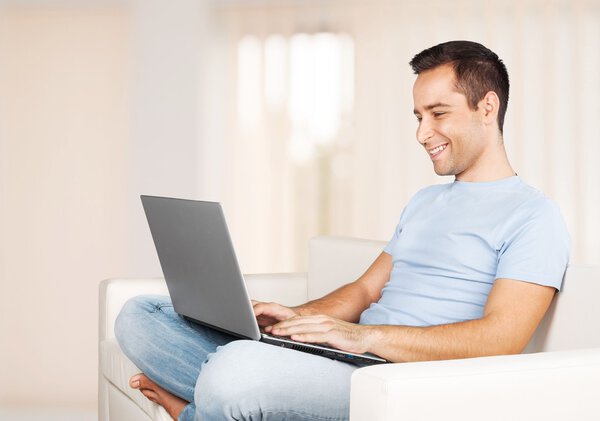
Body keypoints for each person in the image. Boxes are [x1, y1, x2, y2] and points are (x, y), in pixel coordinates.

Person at [115, 40, 570, 420]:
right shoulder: (426, 202)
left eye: (437, 113)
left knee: (234, 371)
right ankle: (220, 401)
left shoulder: (534, 216)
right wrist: (295, 319)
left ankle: (194, 411)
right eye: (417, 117)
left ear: (486, 106)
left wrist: (363, 337)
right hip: (349, 357)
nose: (422, 133)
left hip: (398, 380)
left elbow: (501, 338)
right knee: (140, 316)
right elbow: (365, 290)